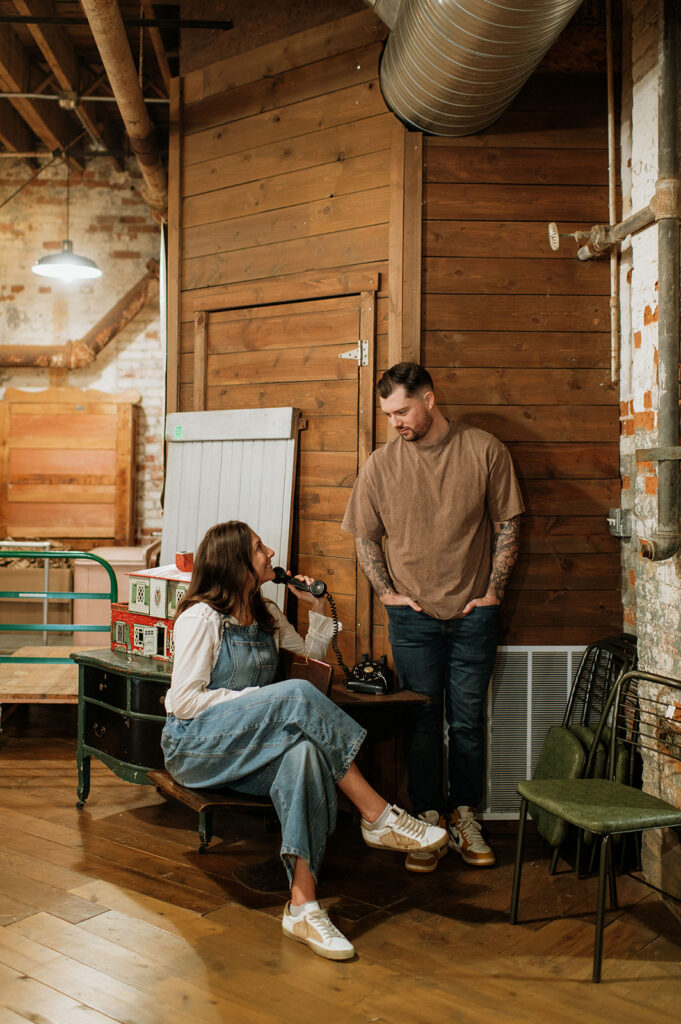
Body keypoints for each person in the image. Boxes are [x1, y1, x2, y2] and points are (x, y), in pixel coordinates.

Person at [161, 519, 447, 961]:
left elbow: (309, 666)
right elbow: (184, 702)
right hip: (195, 747)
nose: (271, 553)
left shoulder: (267, 615)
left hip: (246, 743)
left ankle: (302, 905)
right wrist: (263, 700)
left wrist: (317, 607)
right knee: (292, 698)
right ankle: (377, 815)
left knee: (306, 755)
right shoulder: (201, 618)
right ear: (236, 563)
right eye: (259, 548)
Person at [341, 363, 524, 874]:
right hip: (413, 617)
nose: (395, 421)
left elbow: (508, 524)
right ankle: (427, 821)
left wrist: (493, 592)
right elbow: (364, 536)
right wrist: (387, 593)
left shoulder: (484, 449)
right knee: (421, 722)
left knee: (466, 723)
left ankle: (465, 816)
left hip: (473, 613)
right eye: (388, 414)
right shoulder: (381, 464)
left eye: (401, 410)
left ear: (429, 399)